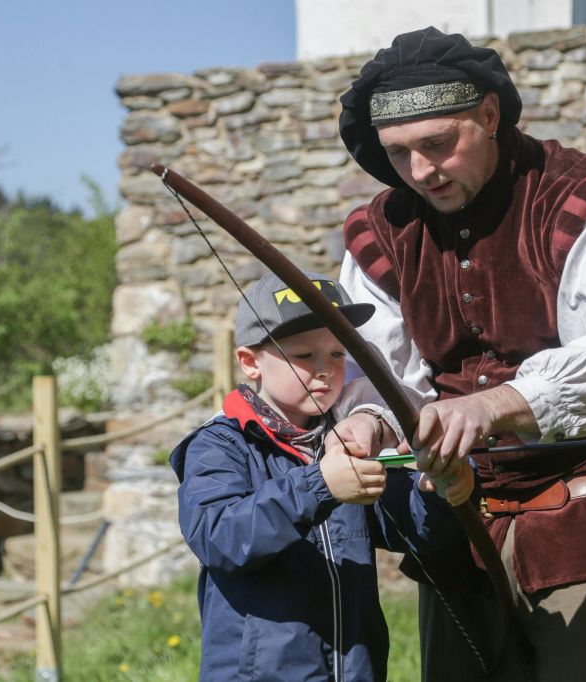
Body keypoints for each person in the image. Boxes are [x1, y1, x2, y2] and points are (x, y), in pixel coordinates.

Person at [329, 27, 586, 682]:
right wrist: (369, 422)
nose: (421, 171)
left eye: (438, 144)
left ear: (489, 115)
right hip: (455, 534)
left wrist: (497, 404)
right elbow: (377, 376)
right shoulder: (381, 234)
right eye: (399, 153)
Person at [169, 271, 474, 681]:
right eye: (303, 355)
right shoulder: (220, 443)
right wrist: (320, 485)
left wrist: (434, 492)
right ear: (249, 362)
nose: (325, 370)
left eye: (336, 354)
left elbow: (408, 530)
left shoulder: (348, 436)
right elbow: (220, 536)